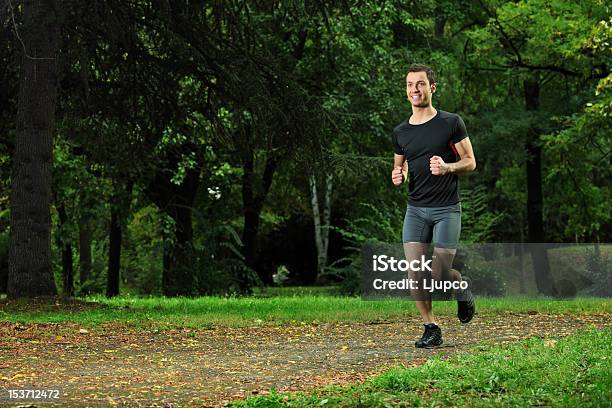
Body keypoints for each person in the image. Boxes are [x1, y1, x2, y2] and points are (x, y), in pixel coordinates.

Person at [391, 63, 476, 348]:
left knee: (440, 274)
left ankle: (460, 287)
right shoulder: (401, 131)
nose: (414, 89)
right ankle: (431, 327)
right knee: (414, 270)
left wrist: (447, 167)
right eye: (410, 85)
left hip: (446, 209)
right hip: (415, 209)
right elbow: (399, 167)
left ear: (432, 88)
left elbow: (470, 162)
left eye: (420, 84)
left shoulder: (451, 123)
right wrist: (398, 176)